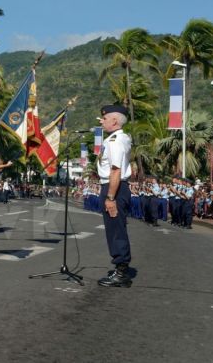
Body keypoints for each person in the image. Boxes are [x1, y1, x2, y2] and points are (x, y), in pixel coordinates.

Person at [96, 104, 133, 288]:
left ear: (115, 120)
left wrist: (110, 197)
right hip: (114, 187)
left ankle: (121, 272)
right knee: (114, 228)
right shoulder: (115, 139)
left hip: (115, 188)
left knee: (116, 229)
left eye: (104, 118)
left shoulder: (116, 140)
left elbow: (116, 170)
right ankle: (120, 268)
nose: (101, 121)